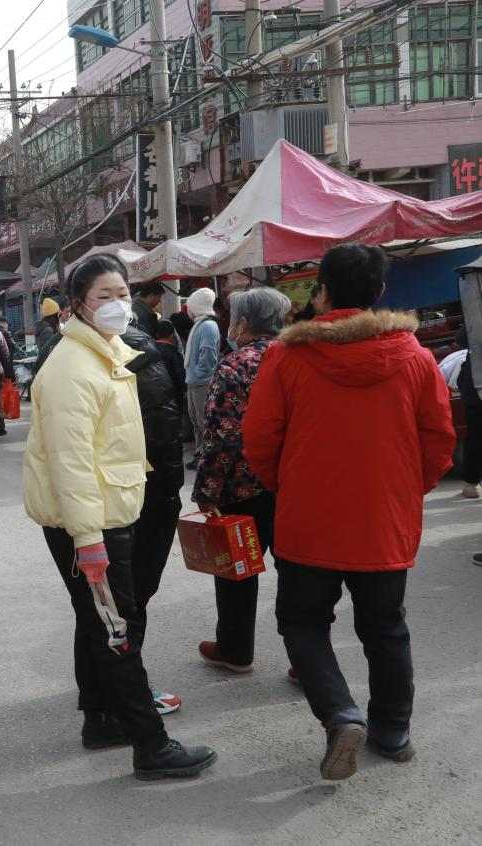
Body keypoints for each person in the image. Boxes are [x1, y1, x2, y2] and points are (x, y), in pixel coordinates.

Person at [244, 244, 454, 780]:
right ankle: (392, 731)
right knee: (385, 629)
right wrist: (408, 491)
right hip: (384, 519)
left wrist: (286, 485)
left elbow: (260, 439)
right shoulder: (415, 358)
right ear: (381, 293)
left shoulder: (286, 356)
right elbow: (438, 440)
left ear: (322, 293)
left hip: (308, 516)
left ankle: (339, 713)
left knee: (303, 621)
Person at [24, 253, 217, 779]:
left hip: (110, 513)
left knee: (100, 623)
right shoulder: (71, 367)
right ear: (77, 306)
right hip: (92, 524)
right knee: (117, 630)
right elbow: (70, 463)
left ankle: (101, 720)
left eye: (122, 294)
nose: (117, 305)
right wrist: (89, 541)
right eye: (103, 296)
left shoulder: (105, 353)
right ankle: (150, 747)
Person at [193, 287, 292, 674]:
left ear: (244, 322)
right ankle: (308, 658)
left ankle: (235, 651)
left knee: (237, 572)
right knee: (298, 573)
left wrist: (206, 490)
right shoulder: (300, 359)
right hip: (294, 486)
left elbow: (221, 435)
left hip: (243, 488)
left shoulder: (236, 365)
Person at [119, 321, 186, 716]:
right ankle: (130, 698)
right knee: (130, 600)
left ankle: (103, 700)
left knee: (104, 606)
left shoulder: (62, 349)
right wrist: (170, 492)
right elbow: (163, 427)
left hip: (99, 501)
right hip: (137, 496)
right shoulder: (137, 345)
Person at [183, 287, 221, 469]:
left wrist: (199, 375)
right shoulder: (201, 324)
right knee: (196, 420)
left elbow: (208, 354)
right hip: (194, 381)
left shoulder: (207, 326)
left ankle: (205, 457)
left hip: (201, 382)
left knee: (203, 421)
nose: (188, 310)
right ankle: (200, 453)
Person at [453, 326, 482, 499]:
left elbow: (461, 339)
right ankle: (471, 482)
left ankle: (471, 483)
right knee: (475, 437)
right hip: (475, 385)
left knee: (475, 436)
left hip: (475, 385)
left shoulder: (474, 313)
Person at [153, 321, 187, 411]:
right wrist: (185, 390)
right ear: (172, 336)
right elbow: (180, 374)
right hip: (173, 394)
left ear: (157, 334)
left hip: (155, 393)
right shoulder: (174, 353)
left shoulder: (150, 350)